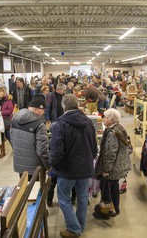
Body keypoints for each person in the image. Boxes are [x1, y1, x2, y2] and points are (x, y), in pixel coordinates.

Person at [50, 94, 97, 238]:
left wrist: (52, 165)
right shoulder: (88, 122)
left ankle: (74, 229)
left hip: (67, 170)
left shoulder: (60, 124)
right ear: (77, 104)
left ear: (64, 106)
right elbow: (94, 147)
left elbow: (57, 151)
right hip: (85, 168)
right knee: (82, 198)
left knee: (64, 198)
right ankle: (80, 226)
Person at [92, 108, 131, 220]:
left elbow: (110, 154)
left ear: (112, 120)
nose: (103, 119)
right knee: (113, 187)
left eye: (106, 117)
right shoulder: (119, 128)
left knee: (104, 187)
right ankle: (115, 208)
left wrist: (106, 170)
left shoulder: (112, 133)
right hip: (119, 165)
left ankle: (105, 212)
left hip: (113, 168)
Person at [11, 95, 50, 179]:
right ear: (37, 109)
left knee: (24, 188)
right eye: (43, 110)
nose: (43, 112)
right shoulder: (39, 124)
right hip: (36, 167)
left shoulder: (15, 118)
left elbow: (12, 140)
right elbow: (42, 151)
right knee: (41, 190)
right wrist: (48, 166)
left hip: (20, 165)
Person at [0, 87, 14, 159]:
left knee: (9, 136)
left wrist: (1, 112)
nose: (1, 93)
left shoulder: (8, 100)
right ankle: (2, 151)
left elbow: (10, 111)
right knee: (0, 138)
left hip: (6, 121)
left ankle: (16, 150)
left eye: (2, 92)